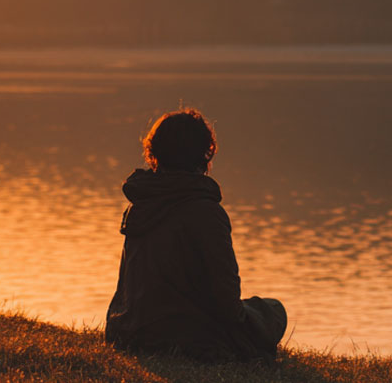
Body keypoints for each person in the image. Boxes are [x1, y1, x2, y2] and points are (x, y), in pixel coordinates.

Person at [105, 108, 287, 361]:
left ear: (154, 153)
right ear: (205, 153)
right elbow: (227, 302)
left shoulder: (140, 204)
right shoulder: (206, 212)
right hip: (185, 340)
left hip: (126, 332)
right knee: (274, 310)